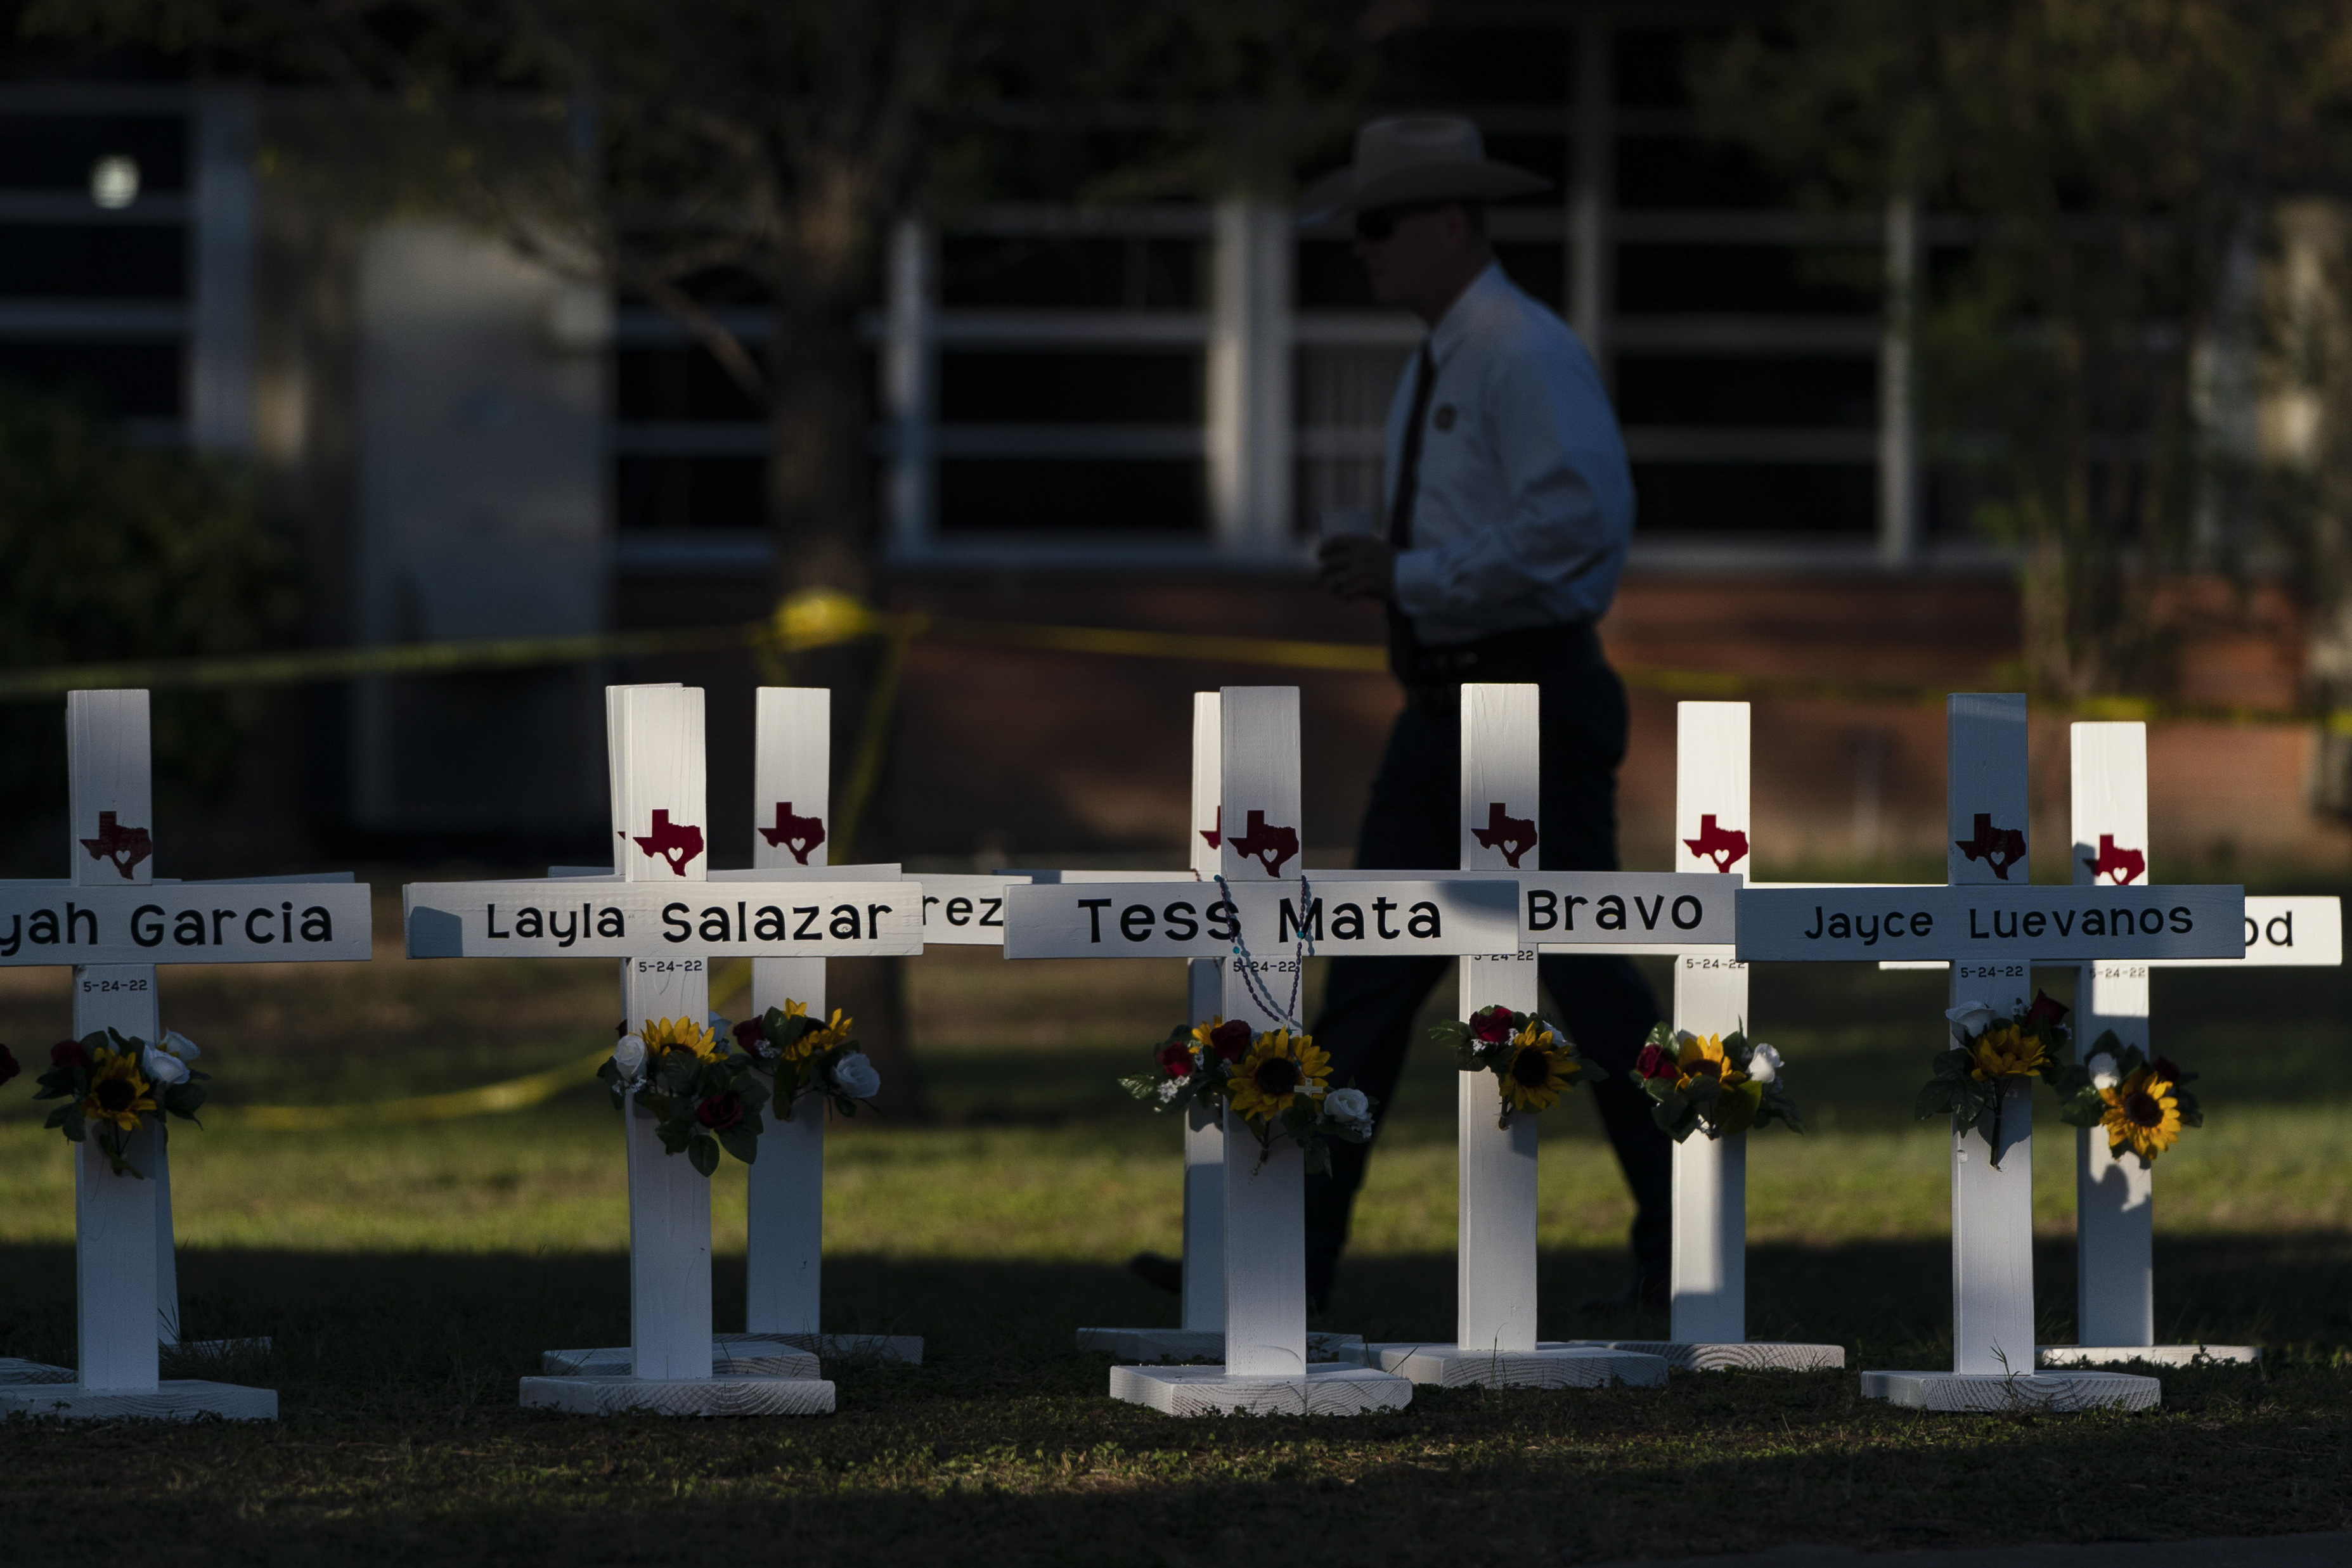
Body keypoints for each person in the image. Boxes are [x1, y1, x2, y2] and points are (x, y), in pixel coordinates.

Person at [1300, 115, 1669, 1313]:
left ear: (1451, 221)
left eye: (1379, 223)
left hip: (1530, 694)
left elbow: (1576, 526)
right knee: (1363, 971)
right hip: (1445, 706)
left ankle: (1685, 1242)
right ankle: (1290, 1257)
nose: (1362, 248)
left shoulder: (1519, 349)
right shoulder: (1440, 357)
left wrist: (1410, 574)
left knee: (1588, 975)